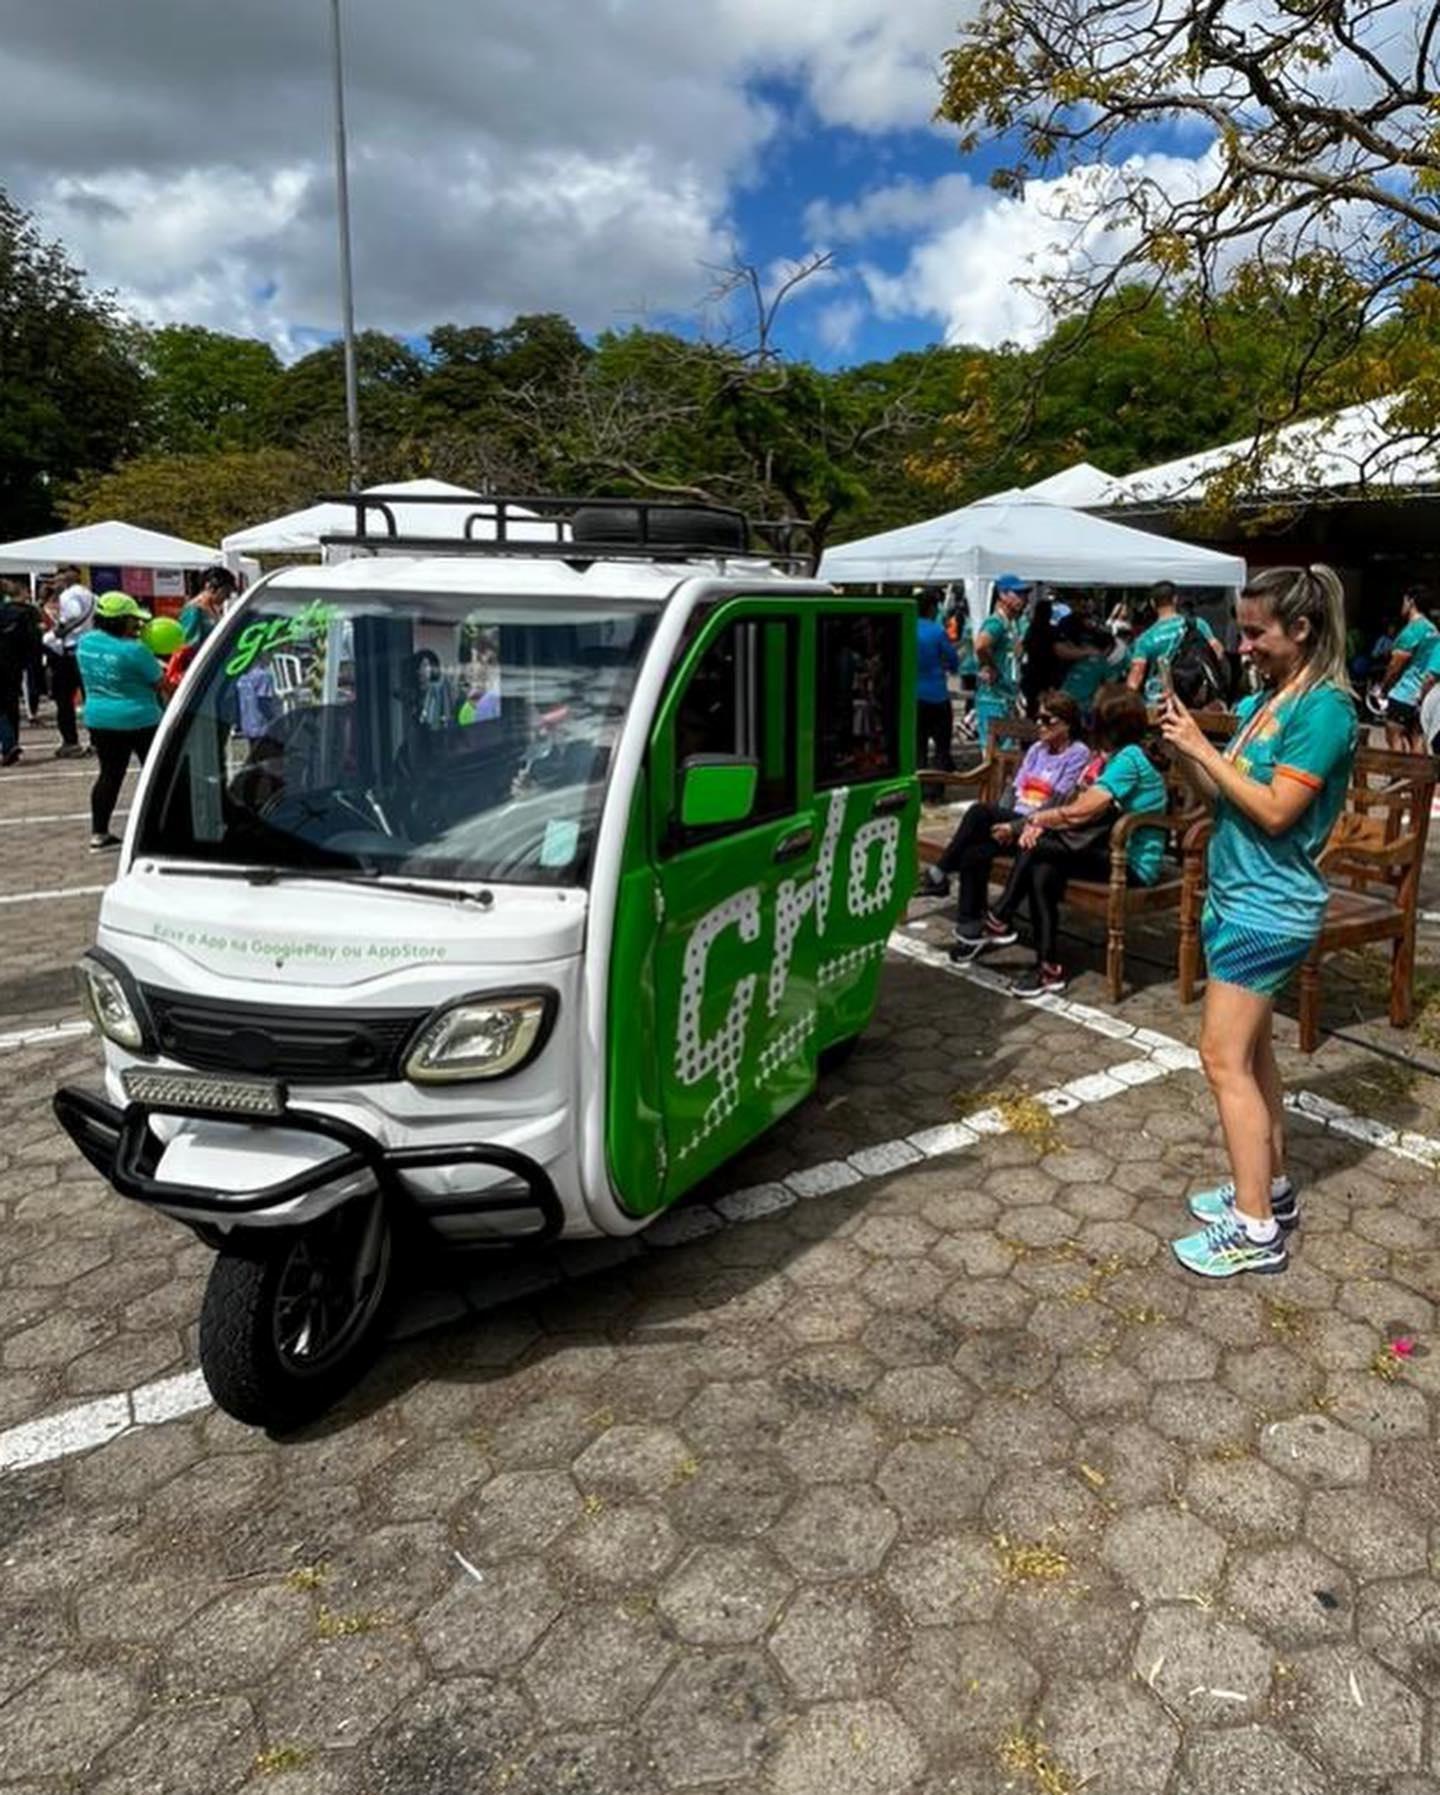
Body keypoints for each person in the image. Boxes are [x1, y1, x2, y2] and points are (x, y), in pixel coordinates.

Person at [1159, 565, 1357, 1279]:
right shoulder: (1272, 699)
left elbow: (1276, 810)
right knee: (1253, 1055)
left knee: (1220, 1057)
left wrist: (1208, 750)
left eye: (1253, 632)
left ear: (1300, 630)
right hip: (1238, 898)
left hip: (1268, 909)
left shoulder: (1326, 710)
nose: (1241, 647)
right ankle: (1267, 1189)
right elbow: (1226, 798)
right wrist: (1187, 753)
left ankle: (1255, 1229)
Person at [961, 686, 1168, 996]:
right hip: (1106, 850)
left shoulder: (1130, 759)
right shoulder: (1119, 757)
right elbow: (1082, 811)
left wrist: (1035, 821)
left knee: (1037, 848)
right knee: (1043, 869)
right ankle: (1048, 968)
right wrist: (1039, 825)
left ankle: (1000, 917)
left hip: (1133, 864)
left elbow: (1083, 811)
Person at [925, 691, 1090, 944]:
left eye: (1047, 720)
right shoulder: (1037, 749)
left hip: (1038, 829)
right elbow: (1014, 790)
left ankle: (942, 870)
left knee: (979, 811)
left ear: (1066, 724)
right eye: (1038, 718)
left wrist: (1013, 827)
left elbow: (1058, 802)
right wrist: (1001, 825)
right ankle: (968, 927)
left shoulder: (1077, 753)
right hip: (1013, 821)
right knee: (973, 852)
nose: (1040, 725)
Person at [75, 592, 164, 851]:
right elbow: (160, 683)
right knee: (156, 774)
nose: (137, 625)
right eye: (132, 620)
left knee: (109, 775)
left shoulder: (86, 642)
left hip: (100, 718)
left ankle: (99, 833)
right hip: (140, 718)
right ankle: (154, 830)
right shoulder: (135, 650)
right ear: (121, 621)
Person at [1126, 581, 1224, 707]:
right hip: (1194, 700)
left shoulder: (1146, 638)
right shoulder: (1196, 624)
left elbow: (1136, 676)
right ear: (1175, 599)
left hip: (1160, 702)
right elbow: (1218, 653)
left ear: (1152, 603)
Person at [42, 564, 95, 757]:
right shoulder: (89, 594)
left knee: (63, 699)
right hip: (87, 647)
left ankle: (70, 742)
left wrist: (58, 630)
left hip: (70, 651)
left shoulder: (69, 595)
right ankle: (96, 740)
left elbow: (72, 615)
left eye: (59, 576)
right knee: (89, 696)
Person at [1378, 584, 1436, 753]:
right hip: (1424, 696)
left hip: (1403, 695)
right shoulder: (1433, 631)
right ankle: (1418, 778)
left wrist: (1384, 688)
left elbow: (1395, 667)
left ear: (1411, 602)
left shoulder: (1411, 631)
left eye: (1404, 600)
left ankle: (1397, 776)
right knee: (1417, 739)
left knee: (1394, 737)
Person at [973, 575, 1029, 751]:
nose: (1024, 598)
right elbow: (981, 645)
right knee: (992, 752)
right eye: (1018, 594)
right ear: (1003, 595)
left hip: (1007, 697)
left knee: (1007, 753)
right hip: (993, 698)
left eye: (1025, 594)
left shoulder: (1013, 623)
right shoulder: (996, 622)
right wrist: (989, 666)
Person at [915, 590, 960, 771]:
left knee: (918, 748)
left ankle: (919, 788)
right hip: (937, 696)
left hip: (913, 696)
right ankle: (936, 791)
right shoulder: (937, 630)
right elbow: (952, 660)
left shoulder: (906, 626)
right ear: (932, 608)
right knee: (941, 748)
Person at [0, 581, 40, 766]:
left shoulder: (7, 612)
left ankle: (9, 745)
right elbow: (33, 639)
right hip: (15, 663)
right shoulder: (27, 612)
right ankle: (12, 744)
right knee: (11, 705)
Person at [180, 565, 236, 648]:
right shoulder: (194, 610)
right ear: (210, 587)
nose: (227, 597)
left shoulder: (213, 609)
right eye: (225, 591)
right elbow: (187, 644)